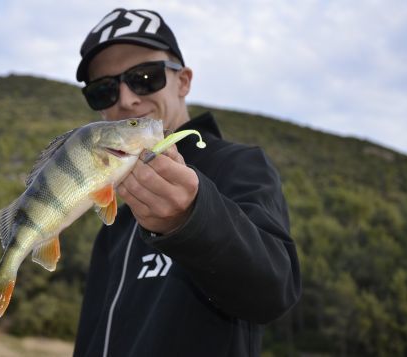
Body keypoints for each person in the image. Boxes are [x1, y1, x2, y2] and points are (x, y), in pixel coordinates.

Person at [73, 8, 301, 357]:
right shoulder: (115, 207)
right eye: (103, 91)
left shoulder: (239, 166)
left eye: (144, 77)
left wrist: (193, 218)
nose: (126, 100)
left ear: (183, 81)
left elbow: (275, 291)